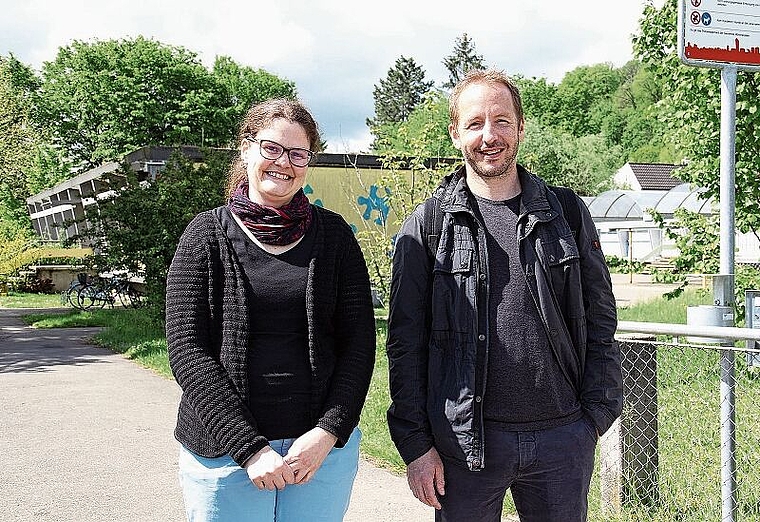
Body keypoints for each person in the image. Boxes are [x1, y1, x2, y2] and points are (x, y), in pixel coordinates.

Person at [386, 69, 622, 522]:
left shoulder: (566, 212)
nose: (488, 135)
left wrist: (593, 418)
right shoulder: (428, 226)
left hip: (562, 439)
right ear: (455, 133)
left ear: (520, 127)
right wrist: (417, 445)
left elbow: (600, 321)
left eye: (501, 121)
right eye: (475, 123)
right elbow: (404, 344)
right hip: (464, 446)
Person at [166, 98, 376, 522]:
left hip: (318, 456)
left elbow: (359, 343)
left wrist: (328, 431)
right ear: (246, 149)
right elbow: (187, 350)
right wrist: (248, 447)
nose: (284, 162)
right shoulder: (206, 235)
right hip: (225, 453)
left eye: (298, 153)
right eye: (271, 148)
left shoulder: (334, 236)